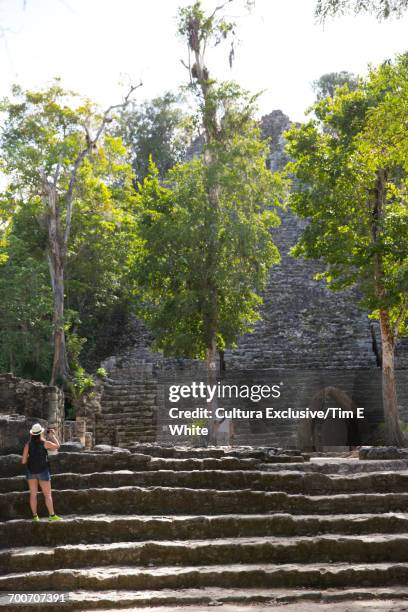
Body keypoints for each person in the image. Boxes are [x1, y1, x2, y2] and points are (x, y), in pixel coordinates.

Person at [21, 423, 62, 522]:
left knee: (33, 494)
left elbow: (23, 461)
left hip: (31, 471)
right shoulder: (45, 443)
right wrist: (52, 436)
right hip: (43, 470)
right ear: (41, 433)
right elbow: (57, 446)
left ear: (32, 434)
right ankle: (51, 515)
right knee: (47, 494)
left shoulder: (27, 445)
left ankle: (35, 516)